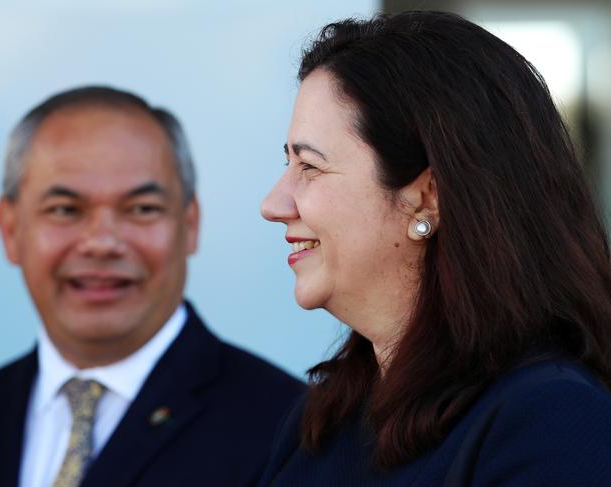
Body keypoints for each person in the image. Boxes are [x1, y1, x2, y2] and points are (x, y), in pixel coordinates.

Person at [260, 11, 611, 486]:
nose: (273, 204)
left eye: (310, 166)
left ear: (428, 196)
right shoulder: (323, 420)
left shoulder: (553, 420)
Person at [0, 86, 304, 487]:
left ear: (189, 224)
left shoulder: (292, 430)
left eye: (142, 209)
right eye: (65, 210)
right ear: (10, 229)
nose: (103, 243)